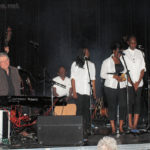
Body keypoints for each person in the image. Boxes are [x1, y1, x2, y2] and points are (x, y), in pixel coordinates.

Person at [100, 42, 127, 134]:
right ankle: (113, 128)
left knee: (123, 105)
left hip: (121, 86)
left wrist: (122, 78)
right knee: (112, 107)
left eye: (120, 52)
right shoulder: (106, 61)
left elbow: (125, 72)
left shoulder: (123, 60)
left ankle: (121, 127)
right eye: (118, 51)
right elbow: (102, 75)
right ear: (114, 51)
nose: (119, 53)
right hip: (110, 87)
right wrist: (114, 77)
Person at [71, 48, 96, 137]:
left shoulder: (91, 65)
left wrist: (94, 93)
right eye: (85, 51)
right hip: (78, 91)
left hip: (87, 91)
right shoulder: (75, 64)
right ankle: (79, 129)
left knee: (87, 111)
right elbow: (73, 79)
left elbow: (93, 80)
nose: (87, 53)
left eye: (88, 51)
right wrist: (74, 91)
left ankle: (87, 129)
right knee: (80, 110)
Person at [124, 36, 146, 130]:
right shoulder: (124, 53)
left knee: (137, 104)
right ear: (128, 43)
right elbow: (124, 71)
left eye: (135, 43)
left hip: (139, 84)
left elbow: (143, 69)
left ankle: (135, 125)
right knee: (129, 104)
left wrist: (138, 82)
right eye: (132, 43)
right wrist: (132, 83)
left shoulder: (140, 53)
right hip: (129, 84)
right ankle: (130, 124)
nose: (133, 44)